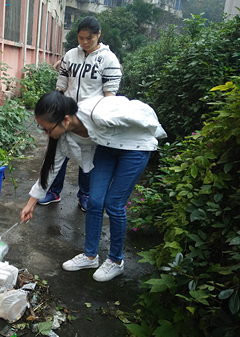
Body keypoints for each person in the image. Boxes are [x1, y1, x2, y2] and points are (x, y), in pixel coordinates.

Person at [20, 91, 166, 282]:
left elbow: (139, 112)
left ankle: (116, 261)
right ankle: (90, 256)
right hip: (105, 149)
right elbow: (50, 168)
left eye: (47, 129)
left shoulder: (100, 112)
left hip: (134, 148)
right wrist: (31, 203)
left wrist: (155, 133)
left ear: (65, 119)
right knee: (95, 201)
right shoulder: (64, 136)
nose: (46, 134)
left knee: (113, 203)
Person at [38, 17, 122, 213]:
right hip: (66, 114)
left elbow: (110, 96)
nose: (84, 42)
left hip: (90, 120)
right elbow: (61, 86)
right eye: (81, 38)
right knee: (59, 153)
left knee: (88, 157)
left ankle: (85, 194)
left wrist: (103, 120)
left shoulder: (109, 60)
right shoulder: (70, 55)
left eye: (89, 38)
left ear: (99, 34)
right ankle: (54, 191)